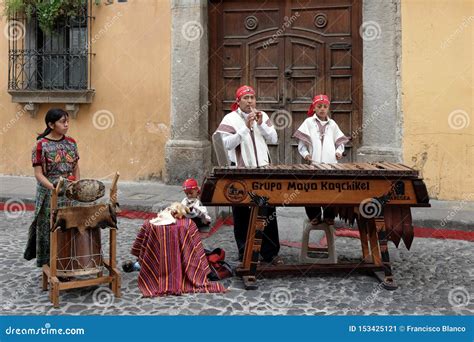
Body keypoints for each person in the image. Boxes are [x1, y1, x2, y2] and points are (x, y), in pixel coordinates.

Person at [215, 85, 282, 264]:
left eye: (252, 97)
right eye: (246, 98)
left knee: (267, 211)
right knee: (242, 212)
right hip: (241, 172)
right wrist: (245, 128)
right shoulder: (229, 119)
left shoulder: (263, 116)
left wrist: (260, 124)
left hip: (263, 170)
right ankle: (244, 251)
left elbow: (274, 139)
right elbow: (225, 144)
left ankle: (270, 253)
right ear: (238, 101)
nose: (250, 101)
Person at [24, 108, 80, 267]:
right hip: (49, 192)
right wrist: (53, 188)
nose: (67, 125)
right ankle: (51, 265)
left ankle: (68, 262)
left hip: (69, 192)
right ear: (51, 124)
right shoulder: (40, 146)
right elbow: (38, 174)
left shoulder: (71, 142)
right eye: (63, 122)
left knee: (69, 226)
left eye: (67, 121)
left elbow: (76, 166)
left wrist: (76, 183)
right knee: (49, 228)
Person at [293, 94, 350, 225]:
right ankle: (314, 215)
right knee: (311, 190)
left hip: (330, 164)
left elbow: (340, 142)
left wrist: (338, 152)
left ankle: (329, 216)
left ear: (328, 108)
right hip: (314, 164)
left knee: (330, 190)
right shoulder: (308, 123)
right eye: (319, 106)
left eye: (325, 106)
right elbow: (301, 145)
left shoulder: (333, 124)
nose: (322, 109)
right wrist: (306, 155)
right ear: (314, 108)